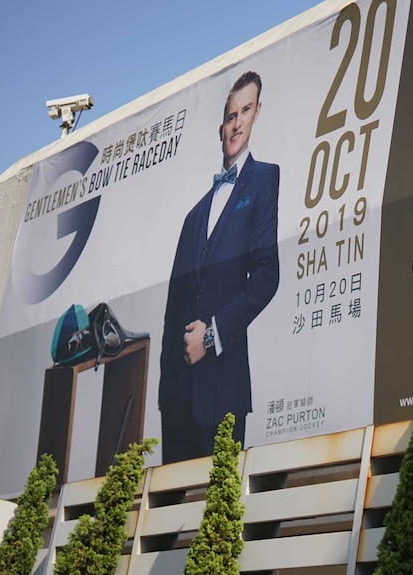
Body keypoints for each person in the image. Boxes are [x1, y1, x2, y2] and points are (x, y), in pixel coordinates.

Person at [158, 71, 280, 464]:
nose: (237, 122)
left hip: (224, 391)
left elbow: (266, 276)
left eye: (246, 110)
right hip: (178, 407)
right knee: (169, 520)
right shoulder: (193, 217)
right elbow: (172, 313)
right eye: (231, 115)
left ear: (257, 112)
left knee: (219, 515)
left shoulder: (264, 178)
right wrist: (166, 398)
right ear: (221, 127)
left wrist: (211, 336)